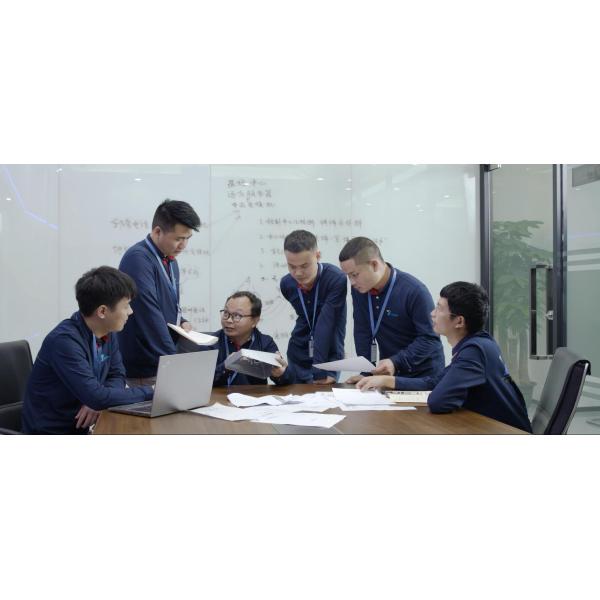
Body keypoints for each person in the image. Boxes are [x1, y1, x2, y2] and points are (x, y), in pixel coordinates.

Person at [358, 282, 532, 432]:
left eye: (439, 308)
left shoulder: (475, 351)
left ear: (459, 321)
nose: (432, 314)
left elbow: (438, 401)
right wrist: (385, 380)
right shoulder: (478, 343)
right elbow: (434, 382)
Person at [21, 267, 154, 434]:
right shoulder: (64, 342)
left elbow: (116, 374)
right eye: (126, 306)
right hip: (50, 433)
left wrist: (99, 400)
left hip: (83, 429)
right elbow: (96, 397)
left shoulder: (106, 331)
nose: (130, 311)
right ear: (102, 311)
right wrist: (152, 391)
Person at [338, 236, 445, 384]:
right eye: (348, 276)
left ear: (374, 265)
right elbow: (363, 331)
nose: (352, 282)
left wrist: (396, 361)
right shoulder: (360, 290)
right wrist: (367, 372)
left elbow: (429, 339)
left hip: (423, 376)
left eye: (355, 275)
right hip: (389, 374)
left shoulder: (414, 291)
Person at [118, 199, 201, 385]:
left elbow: (164, 304)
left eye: (187, 238)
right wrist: (174, 361)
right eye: (178, 239)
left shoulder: (170, 260)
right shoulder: (138, 259)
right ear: (157, 232)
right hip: (145, 363)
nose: (183, 245)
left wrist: (181, 321)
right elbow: (148, 313)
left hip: (161, 361)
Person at [280, 230, 347, 384]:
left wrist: (321, 370)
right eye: (291, 266)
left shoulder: (335, 279)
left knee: (323, 398)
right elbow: (304, 317)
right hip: (299, 353)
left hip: (328, 356)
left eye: (304, 266)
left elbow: (326, 323)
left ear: (317, 256)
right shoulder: (287, 284)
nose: (298, 273)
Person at [200, 291, 293, 386]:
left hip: (254, 395)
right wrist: (225, 366)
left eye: (237, 316)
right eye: (226, 313)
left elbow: (287, 383)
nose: (228, 320)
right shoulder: (210, 342)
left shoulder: (265, 343)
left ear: (255, 321)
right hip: (219, 396)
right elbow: (201, 381)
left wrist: (281, 375)